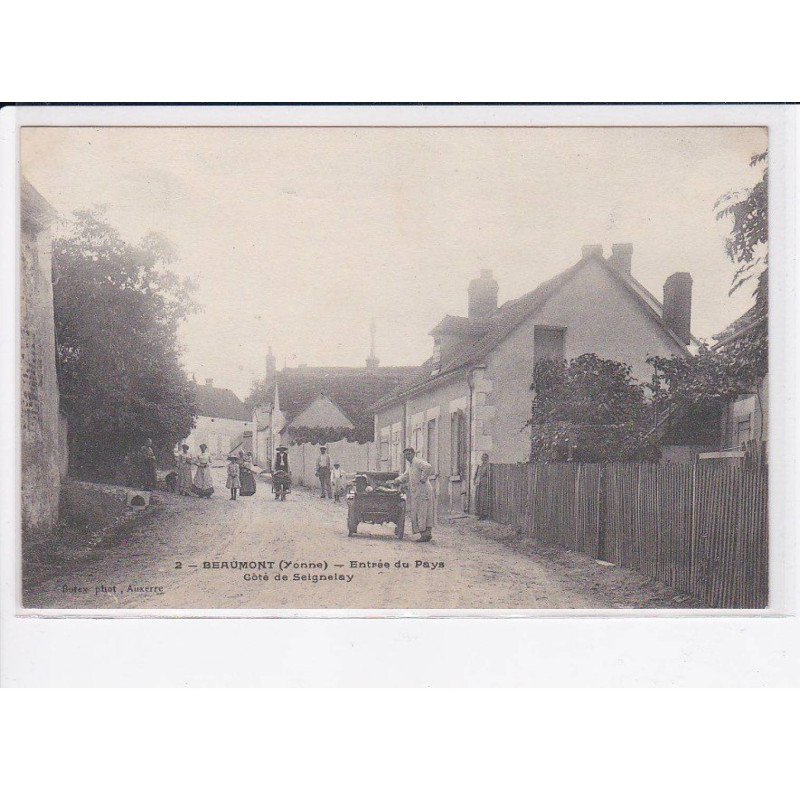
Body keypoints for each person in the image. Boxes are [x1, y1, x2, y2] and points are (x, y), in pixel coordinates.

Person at [393, 446, 435, 542]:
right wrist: (397, 480)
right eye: (405, 455)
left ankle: (425, 534)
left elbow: (428, 467)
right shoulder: (411, 465)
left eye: (409, 454)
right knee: (421, 512)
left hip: (423, 490)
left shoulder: (417, 462)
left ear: (413, 454)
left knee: (423, 512)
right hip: (418, 492)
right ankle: (426, 534)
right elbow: (405, 476)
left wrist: (423, 479)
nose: (407, 456)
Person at [474, 452, 492, 520]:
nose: (483, 459)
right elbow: (476, 474)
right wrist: (475, 480)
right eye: (482, 458)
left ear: (487, 459)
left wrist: (485, 482)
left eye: (485, 458)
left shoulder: (488, 467)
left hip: (484, 485)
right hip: (478, 485)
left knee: (484, 500)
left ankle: (484, 514)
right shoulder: (480, 466)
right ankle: (479, 513)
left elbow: (488, 476)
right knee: (478, 499)